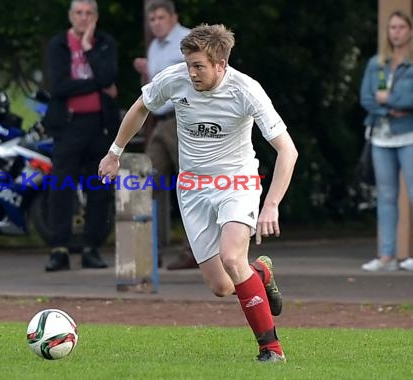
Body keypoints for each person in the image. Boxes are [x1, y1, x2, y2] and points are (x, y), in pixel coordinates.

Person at [99, 24, 297, 362]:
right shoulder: (174, 78)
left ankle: (271, 349)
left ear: (221, 65)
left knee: (233, 258)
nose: (191, 73)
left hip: (237, 182)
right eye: (189, 65)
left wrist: (272, 205)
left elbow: (287, 151)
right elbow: (140, 107)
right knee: (222, 287)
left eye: (199, 66)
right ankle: (260, 273)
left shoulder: (247, 90)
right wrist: (115, 152)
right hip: (192, 188)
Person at [42, 0, 120, 272]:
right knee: (61, 188)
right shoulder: (58, 45)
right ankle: (59, 249)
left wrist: (88, 48)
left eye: (88, 13)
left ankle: (91, 248)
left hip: (100, 127)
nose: (83, 18)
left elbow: (110, 74)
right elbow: (60, 86)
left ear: (96, 17)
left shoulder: (104, 43)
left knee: (98, 190)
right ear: (70, 16)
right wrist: (99, 84)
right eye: (78, 13)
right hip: (68, 127)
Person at [133, 0, 196, 270]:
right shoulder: (154, 47)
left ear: (173, 18)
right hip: (160, 119)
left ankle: (195, 250)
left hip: (185, 117)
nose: (156, 23)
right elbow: (153, 87)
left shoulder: (188, 39)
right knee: (147, 179)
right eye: (152, 19)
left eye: (161, 18)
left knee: (191, 185)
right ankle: (150, 250)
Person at [359, 10, 413, 272]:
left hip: (409, 136)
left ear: (410, 31)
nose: (396, 32)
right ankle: (386, 257)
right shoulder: (376, 63)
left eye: (402, 27)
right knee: (386, 196)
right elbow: (367, 99)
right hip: (381, 136)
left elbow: (409, 101)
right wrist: (390, 109)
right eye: (392, 28)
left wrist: (388, 101)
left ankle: (410, 257)